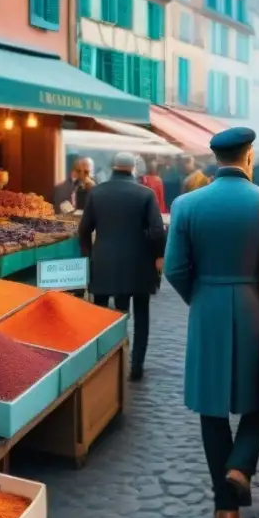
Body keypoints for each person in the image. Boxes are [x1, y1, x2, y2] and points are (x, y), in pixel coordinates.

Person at [164, 127, 259, 518]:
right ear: (249, 156)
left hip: (207, 307)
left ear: (215, 158)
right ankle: (241, 465)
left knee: (212, 406)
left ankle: (226, 510)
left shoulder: (186, 204)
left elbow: (173, 268)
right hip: (254, 306)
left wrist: (200, 298)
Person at [79, 153, 165, 381]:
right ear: (133, 169)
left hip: (104, 263)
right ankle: (136, 365)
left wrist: (88, 257)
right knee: (142, 315)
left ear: (113, 167)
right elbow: (157, 231)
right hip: (139, 264)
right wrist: (158, 256)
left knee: (100, 315)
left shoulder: (97, 192)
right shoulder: (145, 194)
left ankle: (103, 362)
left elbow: (84, 229)